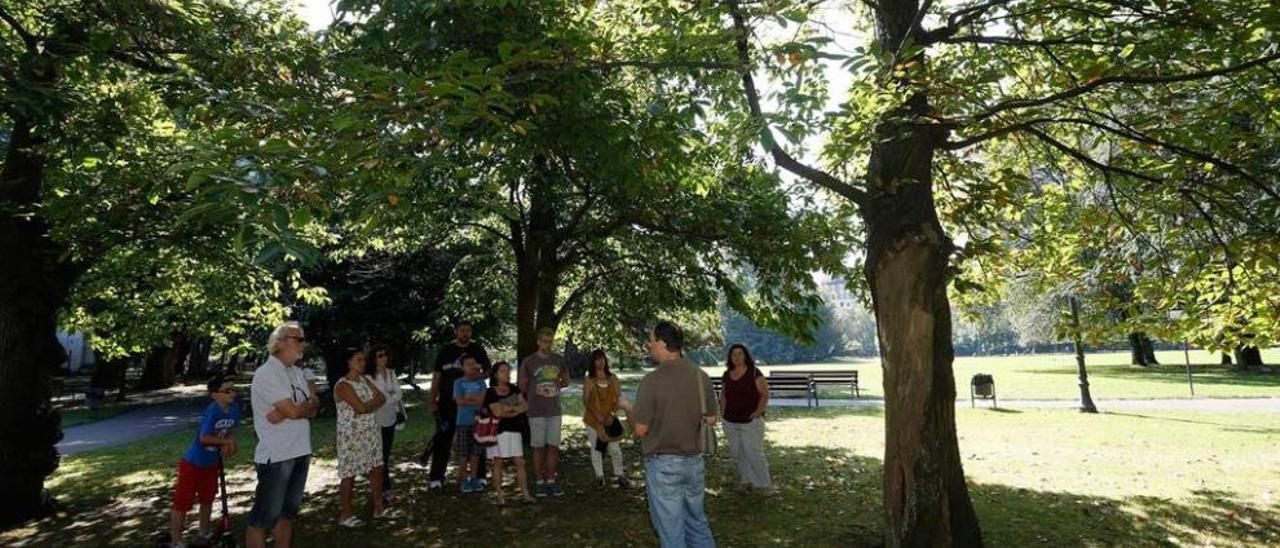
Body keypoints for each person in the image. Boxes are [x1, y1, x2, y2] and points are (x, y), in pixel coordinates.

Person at [631, 320, 718, 548]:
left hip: (664, 464)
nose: (648, 345)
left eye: (651, 340)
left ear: (662, 343)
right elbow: (711, 419)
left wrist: (627, 409)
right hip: (694, 463)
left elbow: (640, 429)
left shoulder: (651, 381)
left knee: (671, 532)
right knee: (697, 523)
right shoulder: (701, 376)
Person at [247, 322, 319, 548]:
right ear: (280, 342)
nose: (303, 345)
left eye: (303, 340)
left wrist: (294, 410)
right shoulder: (266, 373)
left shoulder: (297, 372)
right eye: (298, 339)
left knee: (287, 514)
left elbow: (314, 407)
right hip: (277, 456)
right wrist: (295, 409)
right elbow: (296, 410)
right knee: (262, 519)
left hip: (300, 451)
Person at [169, 374, 240, 548]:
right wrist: (226, 442)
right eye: (227, 390)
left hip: (211, 463)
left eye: (234, 389)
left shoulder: (235, 409)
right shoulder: (212, 411)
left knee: (207, 499)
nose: (232, 393)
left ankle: (203, 533)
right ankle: (176, 541)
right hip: (193, 464)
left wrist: (229, 443)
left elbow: (230, 429)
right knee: (182, 503)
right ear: (214, 394)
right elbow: (204, 438)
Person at [423, 320, 492, 489]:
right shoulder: (446, 350)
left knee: (477, 439)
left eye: (468, 330)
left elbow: (488, 371)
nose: (465, 334)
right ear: (455, 332)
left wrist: (476, 378)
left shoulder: (478, 349)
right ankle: (436, 477)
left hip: (473, 405)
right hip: (448, 402)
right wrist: (432, 400)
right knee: (443, 439)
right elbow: (437, 376)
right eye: (462, 330)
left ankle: (479, 476)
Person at [334, 347, 397, 527]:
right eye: (359, 360)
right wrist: (369, 405)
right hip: (351, 437)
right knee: (349, 474)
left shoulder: (363, 380)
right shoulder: (343, 385)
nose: (363, 363)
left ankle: (379, 508)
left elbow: (381, 398)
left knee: (376, 468)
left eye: (363, 360)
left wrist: (367, 406)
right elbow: (361, 407)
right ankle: (345, 515)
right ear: (348, 362)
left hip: (370, 432)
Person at [517, 326, 569, 497]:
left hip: (554, 410)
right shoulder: (529, 361)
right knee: (538, 447)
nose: (548, 345)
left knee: (553, 447)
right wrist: (534, 388)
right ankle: (540, 482)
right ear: (538, 342)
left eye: (550, 341)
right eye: (545, 341)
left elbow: (566, 380)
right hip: (536, 410)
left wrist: (558, 384)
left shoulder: (558, 359)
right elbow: (521, 385)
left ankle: (551, 481)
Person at [719, 344, 771, 493]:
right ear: (730, 357)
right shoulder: (727, 374)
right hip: (730, 420)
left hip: (750, 421)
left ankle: (763, 484)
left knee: (753, 452)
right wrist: (722, 413)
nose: (737, 357)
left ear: (745, 355)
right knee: (739, 452)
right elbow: (723, 395)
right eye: (733, 354)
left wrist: (759, 411)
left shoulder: (754, 373)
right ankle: (745, 481)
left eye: (740, 354)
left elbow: (765, 394)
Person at [483, 361, 536, 506]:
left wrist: (507, 409)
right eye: (503, 371)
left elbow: (525, 406)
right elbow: (497, 412)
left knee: (520, 461)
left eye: (508, 371)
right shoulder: (490, 392)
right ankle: (499, 495)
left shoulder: (514, 388)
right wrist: (514, 409)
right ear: (495, 374)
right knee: (498, 462)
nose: (507, 374)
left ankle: (525, 494)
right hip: (498, 432)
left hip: (515, 430)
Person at [581, 349, 629, 488]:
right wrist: (597, 415)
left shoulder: (613, 378)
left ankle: (620, 475)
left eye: (602, 358)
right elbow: (586, 400)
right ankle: (600, 477)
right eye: (597, 359)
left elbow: (619, 398)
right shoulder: (589, 380)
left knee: (615, 448)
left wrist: (611, 415)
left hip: (610, 419)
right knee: (596, 449)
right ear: (593, 362)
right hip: (593, 420)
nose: (600, 362)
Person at [369, 345, 405, 505]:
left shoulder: (391, 373)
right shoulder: (369, 376)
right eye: (379, 355)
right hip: (376, 421)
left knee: (385, 456)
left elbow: (399, 393)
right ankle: (383, 490)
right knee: (379, 457)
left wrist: (386, 398)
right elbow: (377, 397)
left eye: (385, 355)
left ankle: (382, 489)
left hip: (390, 419)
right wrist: (388, 397)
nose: (383, 358)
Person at [452, 355, 488, 492]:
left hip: (478, 422)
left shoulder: (481, 383)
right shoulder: (458, 382)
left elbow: (481, 400)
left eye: (474, 363)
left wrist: (468, 398)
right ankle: (463, 479)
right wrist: (472, 399)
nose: (472, 367)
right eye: (468, 364)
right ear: (462, 367)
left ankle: (474, 479)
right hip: (462, 422)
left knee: (475, 453)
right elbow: (459, 401)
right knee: (463, 453)